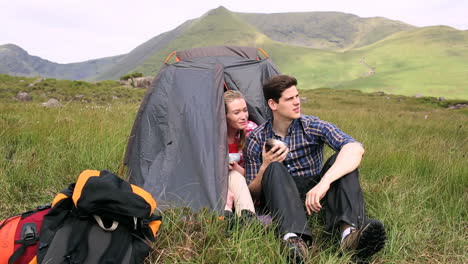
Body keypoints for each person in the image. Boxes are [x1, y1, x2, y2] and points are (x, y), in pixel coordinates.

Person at [243, 75, 386, 263]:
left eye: (297, 96)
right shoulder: (257, 138)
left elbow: (355, 147)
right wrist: (265, 166)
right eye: (289, 99)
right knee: (275, 168)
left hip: (314, 191)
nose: (297, 102)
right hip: (281, 195)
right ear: (273, 104)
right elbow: (252, 193)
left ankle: (349, 235)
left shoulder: (311, 126)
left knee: (342, 160)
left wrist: (324, 183)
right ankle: (295, 241)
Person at [223, 90, 257, 219]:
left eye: (245, 110)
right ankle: (232, 217)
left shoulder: (250, 131)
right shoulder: (214, 136)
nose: (244, 116)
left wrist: (235, 167)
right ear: (224, 115)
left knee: (234, 174)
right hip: (218, 183)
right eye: (236, 113)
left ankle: (244, 218)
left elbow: (254, 176)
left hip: (245, 183)